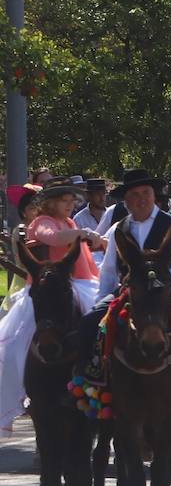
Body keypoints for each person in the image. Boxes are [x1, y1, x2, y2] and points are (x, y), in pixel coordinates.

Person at [75, 168, 171, 405]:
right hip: (130, 291)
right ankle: (86, 380)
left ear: (154, 195)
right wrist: (102, 302)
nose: (141, 199)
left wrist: (160, 285)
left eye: (146, 193)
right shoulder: (118, 229)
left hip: (168, 290)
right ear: (126, 201)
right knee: (88, 323)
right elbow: (109, 271)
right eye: (134, 195)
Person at [0, 179, 103, 436]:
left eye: (71, 201)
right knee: (13, 345)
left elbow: (85, 246)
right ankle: (21, 387)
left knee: (103, 318)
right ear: (51, 203)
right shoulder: (42, 222)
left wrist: (103, 242)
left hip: (82, 283)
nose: (69, 206)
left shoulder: (71, 222)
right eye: (64, 201)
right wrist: (83, 235)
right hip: (51, 286)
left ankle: (100, 375)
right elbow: (53, 239)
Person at [73, 178, 109, 245]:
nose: (102, 198)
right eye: (98, 194)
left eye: (104, 193)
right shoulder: (79, 219)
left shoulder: (111, 214)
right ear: (89, 195)